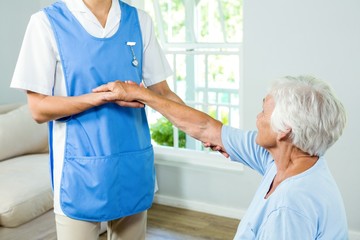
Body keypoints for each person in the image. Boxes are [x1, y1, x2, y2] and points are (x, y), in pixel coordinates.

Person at [93, 75, 349, 239]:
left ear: (284, 131)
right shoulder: (286, 158)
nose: (257, 119)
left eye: (263, 113)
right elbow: (207, 129)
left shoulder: (290, 206)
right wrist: (143, 94)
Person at [10, 0, 184, 239]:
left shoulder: (139, 21)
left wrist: (204, 129)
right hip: (78, 170)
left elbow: (162, 93)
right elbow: (38, 108)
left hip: (131, 161)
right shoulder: (46, 23)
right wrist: (100, 98)